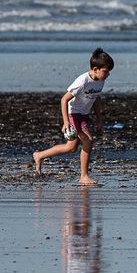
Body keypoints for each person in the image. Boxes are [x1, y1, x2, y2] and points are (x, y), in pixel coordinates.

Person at [33, 48, 114, 186]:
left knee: (70, 148)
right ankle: (84, 176)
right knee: (88, 141)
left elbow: (96, 99)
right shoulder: (82, 82)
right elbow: (64, 100)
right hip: (73, 114)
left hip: (84, 114)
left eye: (109, 72)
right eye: (106, 71)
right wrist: (66, 122)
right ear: (95, 69)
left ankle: (39, 155)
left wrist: (99, 120)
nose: (108, 74)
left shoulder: (100, 81)